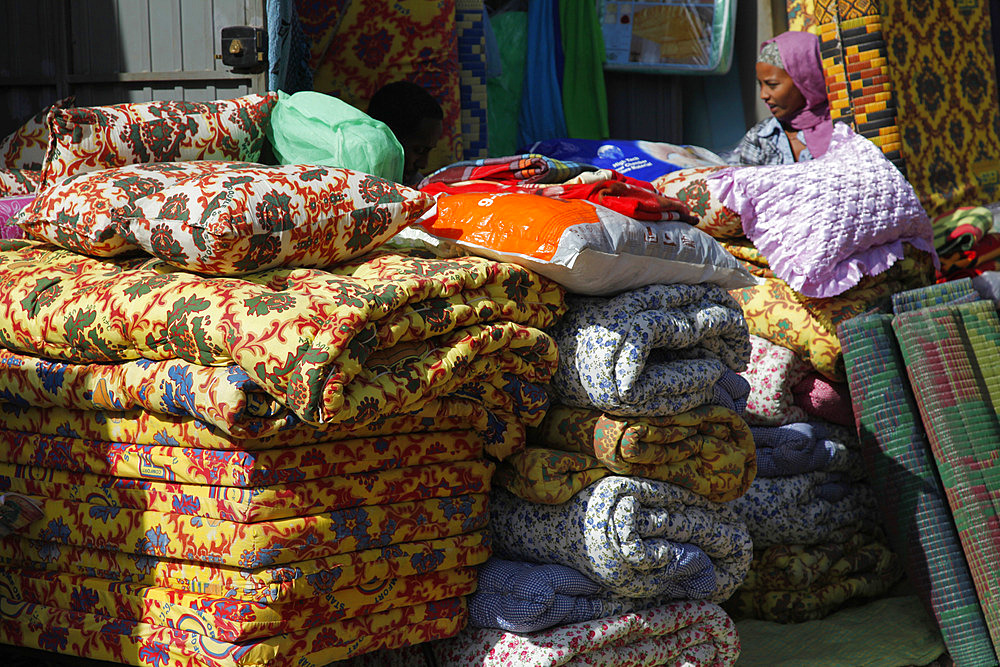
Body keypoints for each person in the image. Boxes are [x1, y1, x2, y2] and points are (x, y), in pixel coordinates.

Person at [728, 30, 833, 166]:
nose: (763, 95)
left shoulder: (842, 131)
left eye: (772, 85)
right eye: (760, 85)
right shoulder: (761, 138)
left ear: (805, 81)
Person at [367, 81, 444, 186]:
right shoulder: (348, 181)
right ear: (388, 139)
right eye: (419, 150)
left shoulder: (417, 186)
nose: (423, 164)